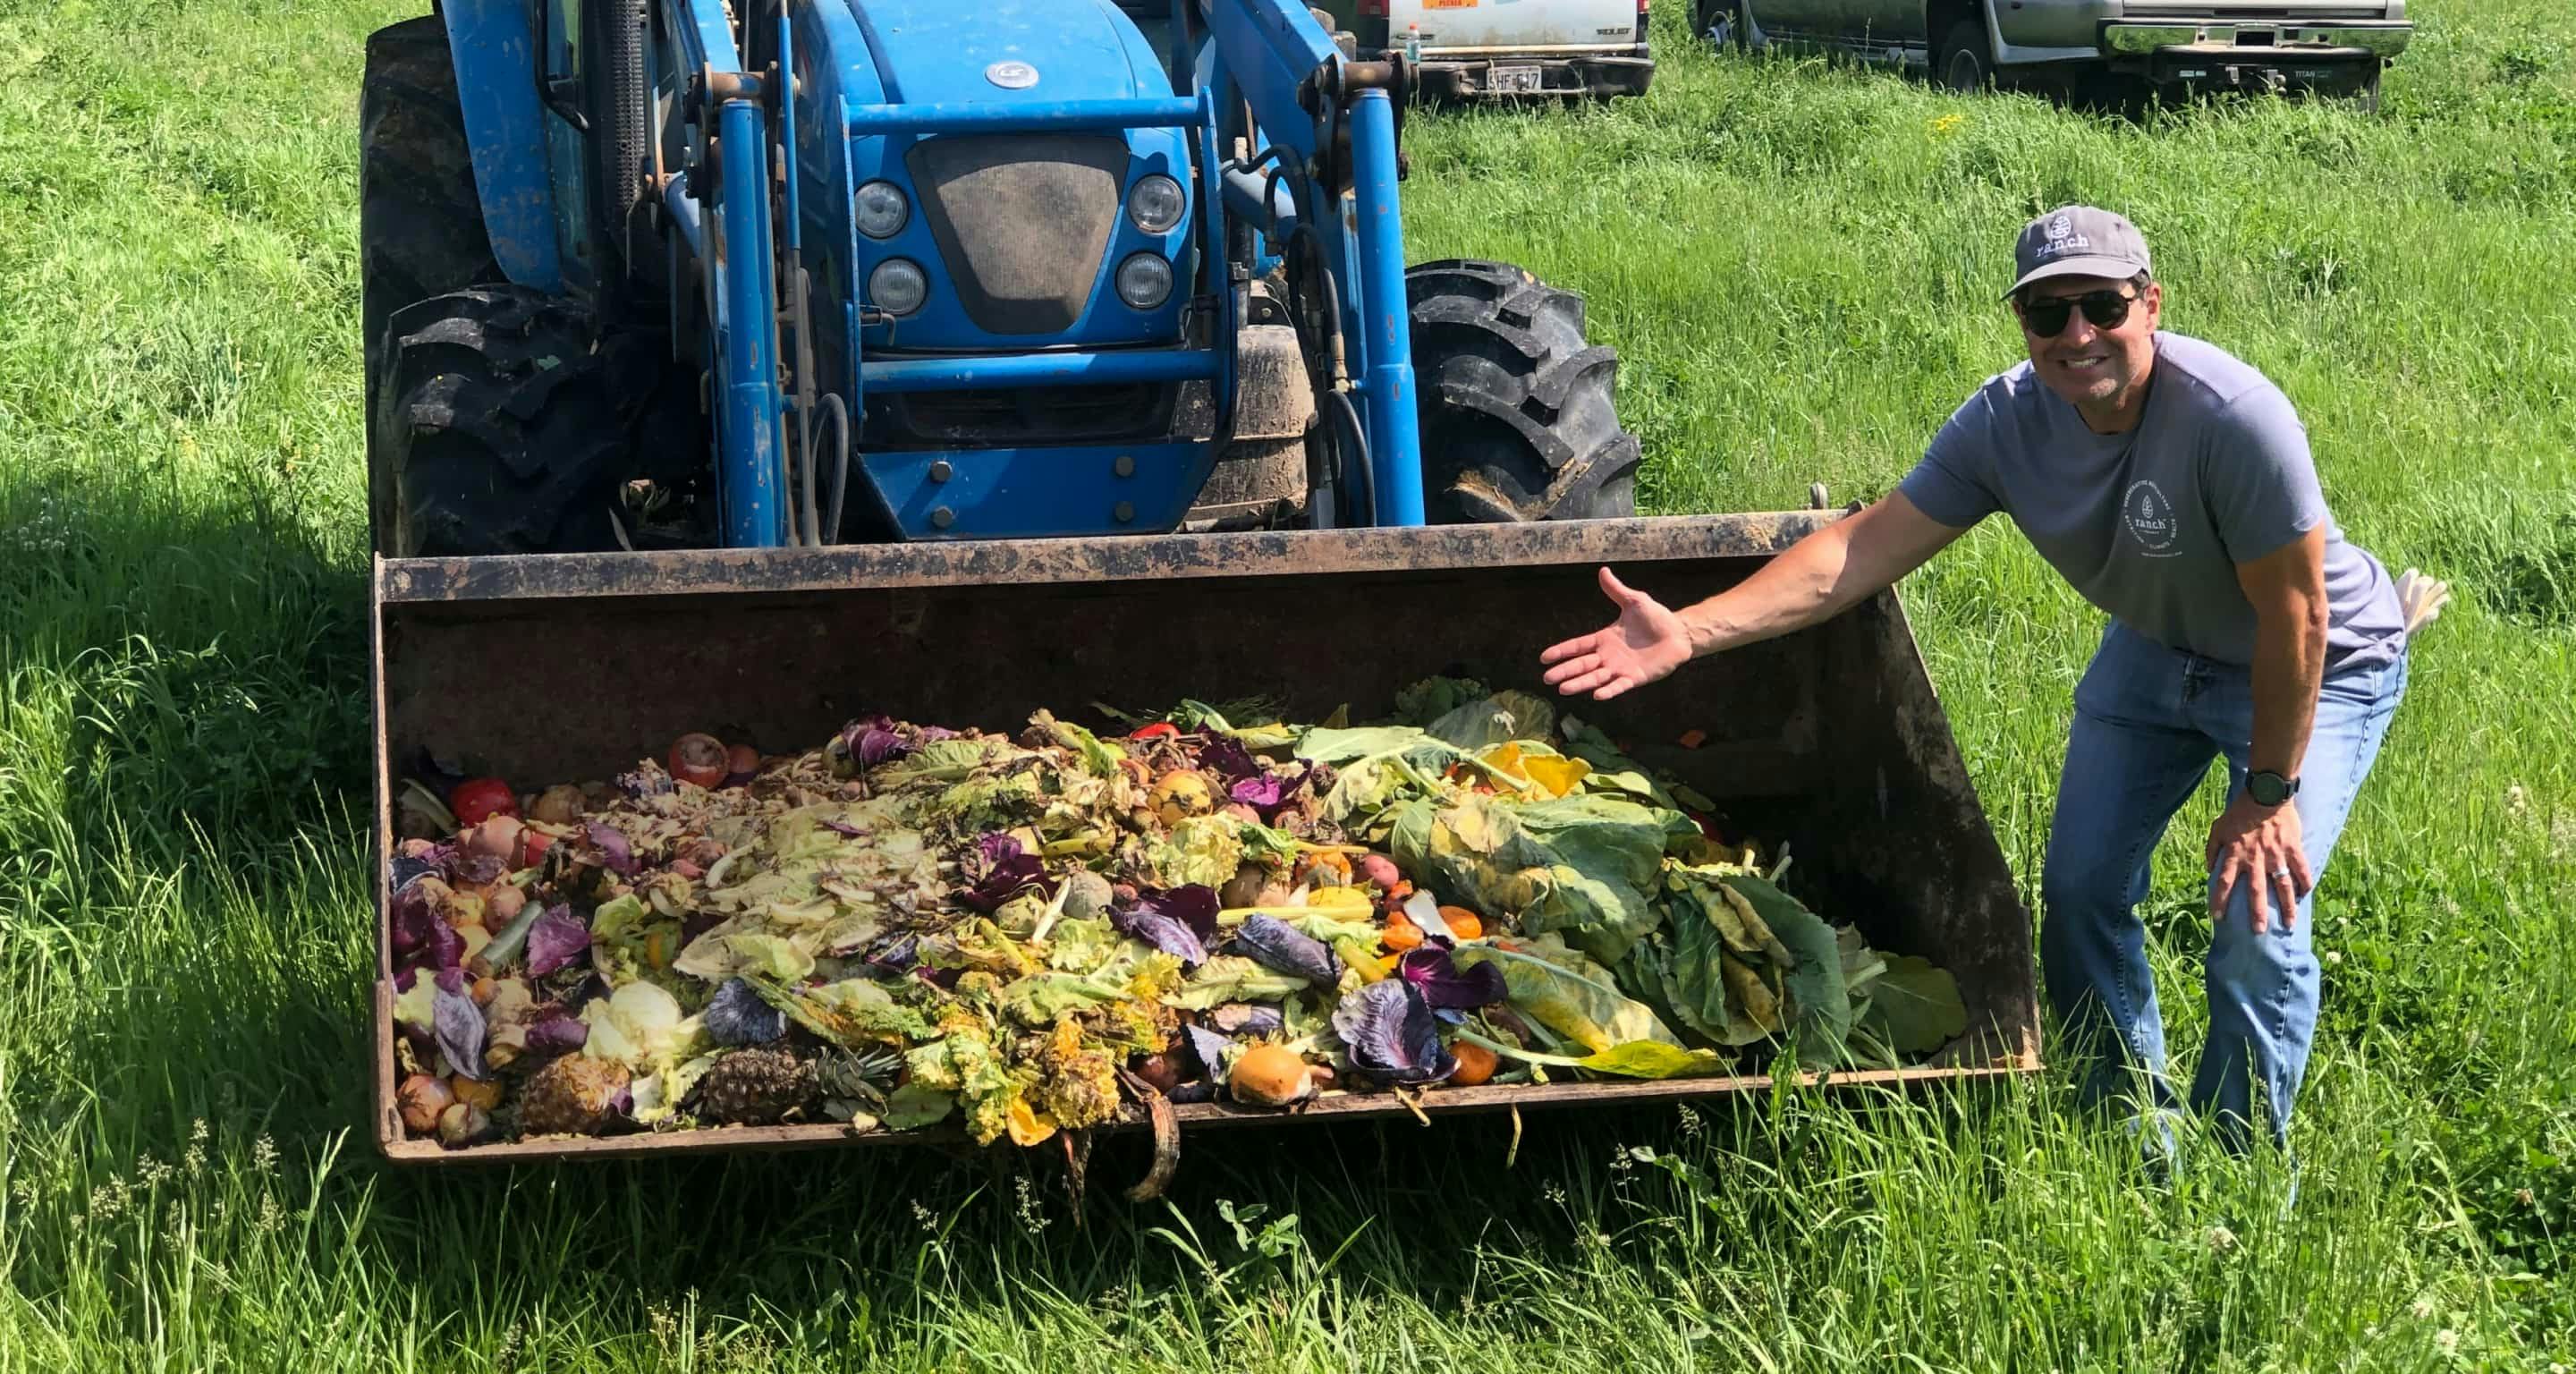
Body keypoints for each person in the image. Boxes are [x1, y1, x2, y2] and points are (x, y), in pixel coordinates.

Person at [1538, 205, 2444, 1159]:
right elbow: (1859, 550)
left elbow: (2298, 619)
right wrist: (1690, 629)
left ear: (2151, 303)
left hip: (2319, 662)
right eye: (2048, 314)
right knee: (2083, 889)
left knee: (2258, 922)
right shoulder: (2009, 422)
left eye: (2102, 305)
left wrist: (2267, 795)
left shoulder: (2232, 417)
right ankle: (2126, 1129)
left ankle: (2240, 1172)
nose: (2077, 335)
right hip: (2157, 645)